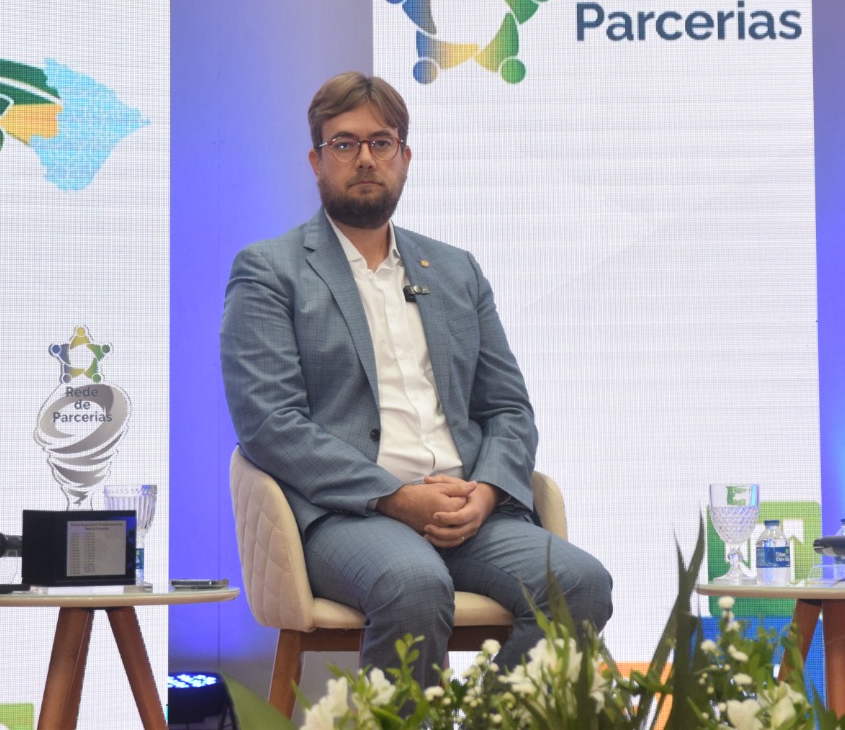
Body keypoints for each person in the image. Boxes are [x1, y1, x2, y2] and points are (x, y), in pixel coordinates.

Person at [220, 72, 612, 683]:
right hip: (350, 516)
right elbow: (270, 424)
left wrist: (486, 492)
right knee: (414, 584)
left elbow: (508, 408)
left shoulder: (455, 271)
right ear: (316, 161)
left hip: (470, 510)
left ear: (404, 157)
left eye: (381, 142)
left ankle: (490, 723)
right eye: (344, 144)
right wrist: (396, 497)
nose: (365, 158)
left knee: (581, 584)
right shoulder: (271, 271)